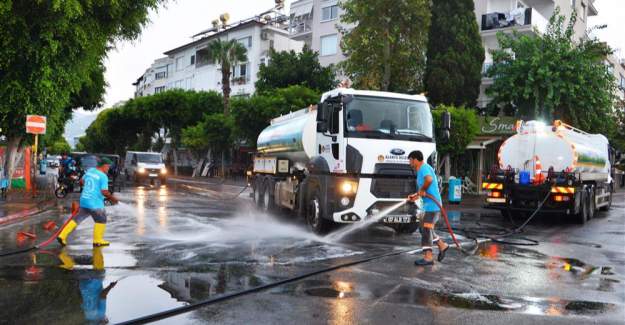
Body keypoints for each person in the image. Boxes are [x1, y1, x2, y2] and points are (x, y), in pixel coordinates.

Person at [57, 157, 119, 246]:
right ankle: (97, 241)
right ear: (104, 166)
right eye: (108, 167)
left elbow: (81, 181)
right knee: (101, 220)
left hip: (84, 200)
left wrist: (90, 188)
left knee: (77, 219)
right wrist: (114, 199)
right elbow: (104, 192)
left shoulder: (90, 171)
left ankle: (62, 236)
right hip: (95, 203)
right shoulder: (103, 176)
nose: (108, 169)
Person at [407, 150, 449, 266]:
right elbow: (423, 191)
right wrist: (415, 196)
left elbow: (429, 180)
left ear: (415, 160)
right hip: (430, 206)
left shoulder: (423, 168)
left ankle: (428, 257)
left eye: (410, 160)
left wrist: (423, 190)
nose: (410, 163)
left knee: (426, 229)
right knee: (424, 228)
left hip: (433, 207)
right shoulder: (423, 169)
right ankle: (442, 245)